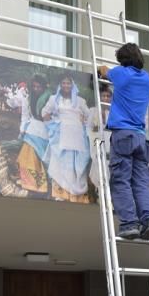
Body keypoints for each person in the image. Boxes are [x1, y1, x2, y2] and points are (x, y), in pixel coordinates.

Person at [98, 43, 149, 240]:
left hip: (123, 135)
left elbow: (104, 71)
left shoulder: (122, 74)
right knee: (140, 182)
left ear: (123, 61)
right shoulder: (147, 79)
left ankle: (129, 224)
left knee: (121, 180)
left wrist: (101, 67)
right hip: (141, 137)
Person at [42, 73, 91, 203]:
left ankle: (76, 197)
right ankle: (60, 194)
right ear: (60, 85)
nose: (66, 85)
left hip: (77, 137)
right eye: (63, 83)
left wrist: (83, 124)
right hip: (61, 136)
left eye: (68, 83)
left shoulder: (80, 101)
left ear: (72, 85)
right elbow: (45, 113)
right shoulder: (54, 99)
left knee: (76, 166)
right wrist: (53, 127)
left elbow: (89, 116)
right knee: (59, 164)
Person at [6, 75, 51, 194]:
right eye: (34, 86)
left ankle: (40, 184)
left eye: (39, 87)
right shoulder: (27, 98)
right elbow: (25, 116)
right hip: (31, 130)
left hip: (45, 131)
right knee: (27, 152)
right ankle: (26, 181)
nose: (36, 89)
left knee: (42, 158)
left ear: (43, 87)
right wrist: (22, 130)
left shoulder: (50, 99)